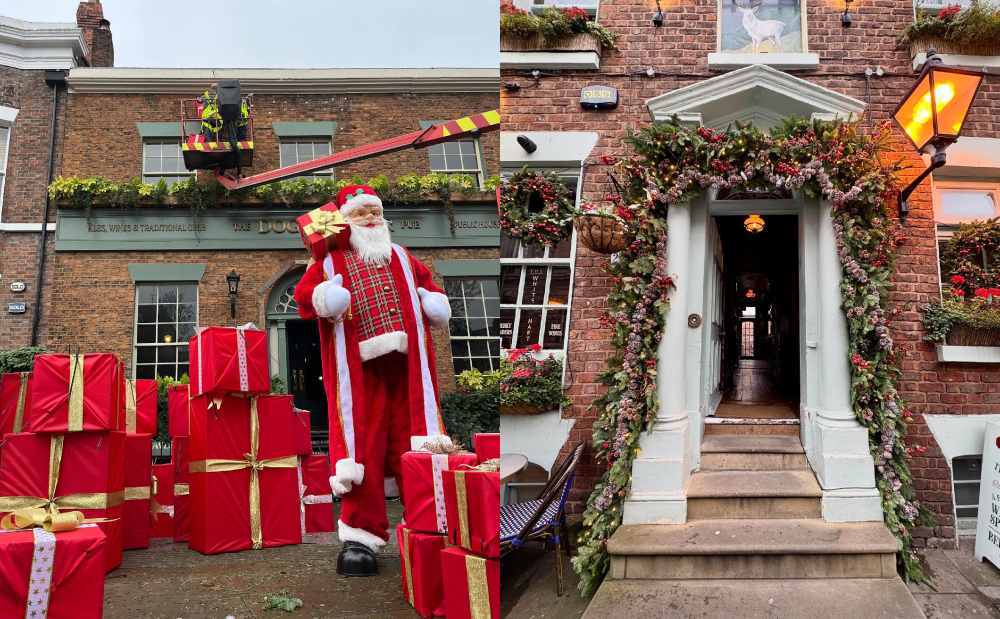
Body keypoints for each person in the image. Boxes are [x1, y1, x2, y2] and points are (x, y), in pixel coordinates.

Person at [293, 185, 453, 577]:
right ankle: (360, 537)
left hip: (406, 367)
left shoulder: (401, 255)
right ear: (346, 219)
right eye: (360, 213)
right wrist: (325, 298)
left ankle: (431, 525)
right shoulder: (329, 261)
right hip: (359, 369)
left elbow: (427, 285)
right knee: (362, 443)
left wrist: (433, 302)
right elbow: (303, 297)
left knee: (413, 440)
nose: (369, 219)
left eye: (373, 212)